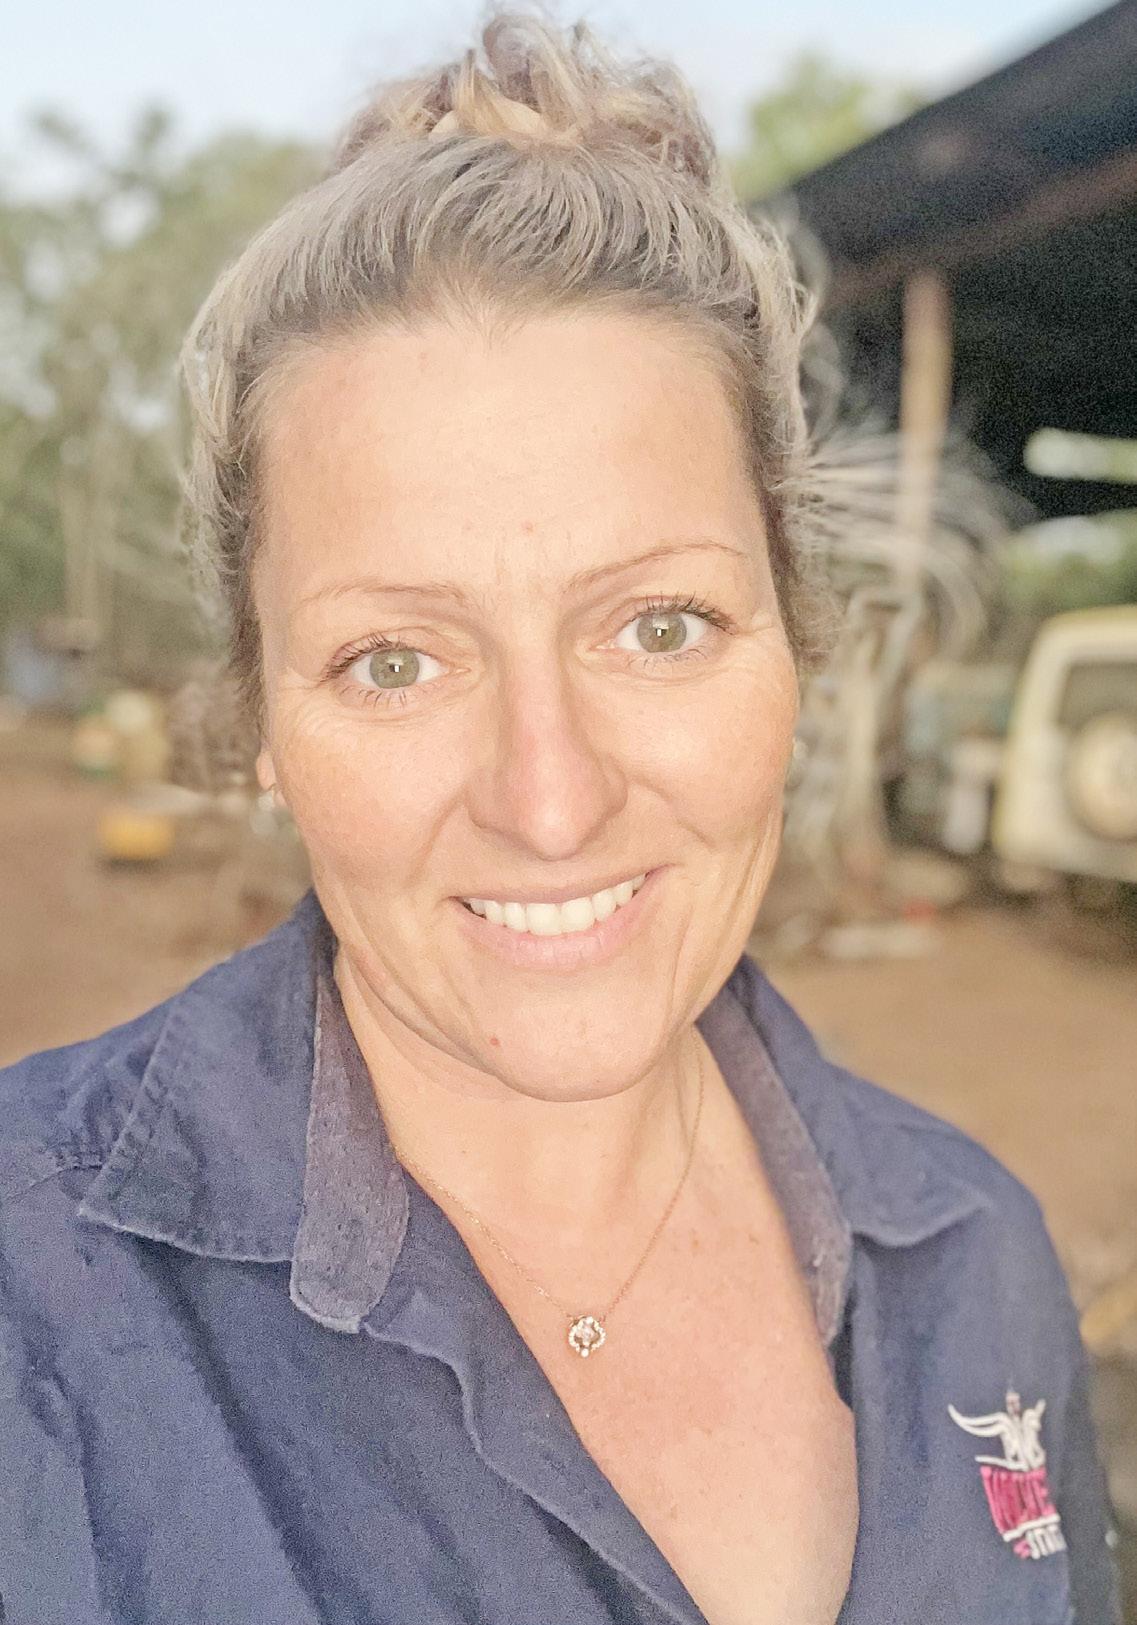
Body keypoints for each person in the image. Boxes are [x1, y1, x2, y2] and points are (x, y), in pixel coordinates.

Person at [0, 11, 1121, 1625]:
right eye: (395, 660)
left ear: (796, 647)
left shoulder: (973, 1260)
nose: (550, 798)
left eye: (657, 626)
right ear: (258, 724)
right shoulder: (37, 1296)